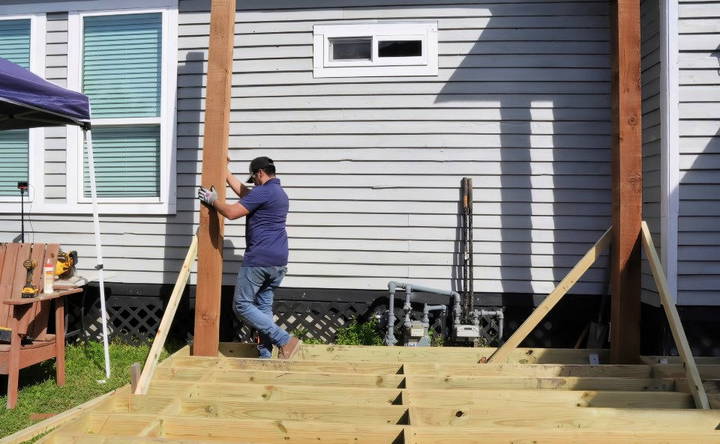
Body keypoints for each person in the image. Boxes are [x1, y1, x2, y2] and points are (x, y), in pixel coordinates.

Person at [197, 156, 301, 359]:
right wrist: (225, 172)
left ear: (260, 173)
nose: (253, 184)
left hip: (259, 260)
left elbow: (232, 212)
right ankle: (265, 355)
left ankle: (285, 340)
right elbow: (246, 194)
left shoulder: (264, 192)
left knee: (241, 305)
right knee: (262, 309)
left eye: (254, 178)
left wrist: (213, 201)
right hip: (278, 262)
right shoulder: (278, 193)